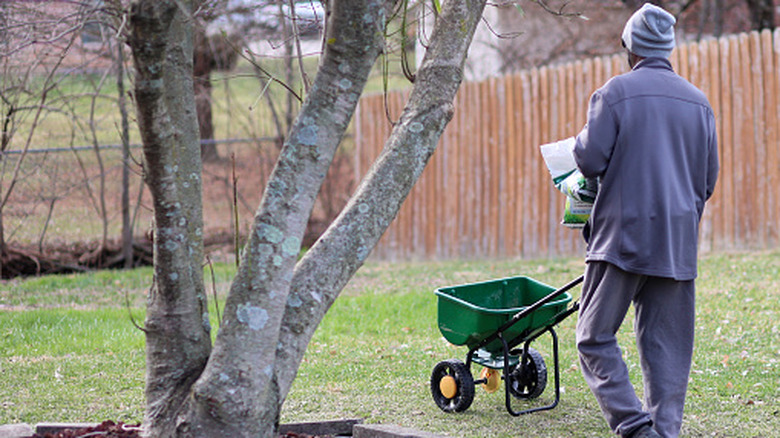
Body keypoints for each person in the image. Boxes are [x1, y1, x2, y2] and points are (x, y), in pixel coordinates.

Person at [572, 3, 719, 438]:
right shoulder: (699, 103)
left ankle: (635, 428)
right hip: (677, 240)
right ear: (669, 49)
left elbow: (589, 156)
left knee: (593, 336)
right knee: (668, 350)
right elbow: (707, 181)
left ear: (630, 47)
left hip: (623, 236)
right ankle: (663, 432)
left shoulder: (614, 93)